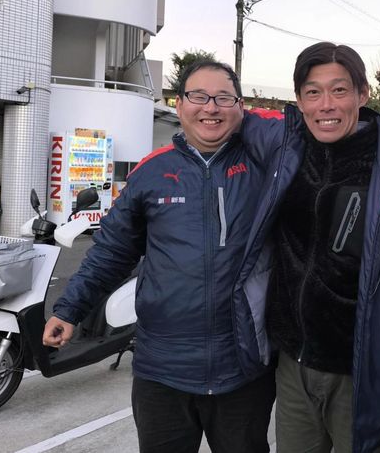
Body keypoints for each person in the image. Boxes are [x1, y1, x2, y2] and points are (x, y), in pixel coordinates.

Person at [42, 61, 279, 453]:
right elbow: (112, 251)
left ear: (241, 109)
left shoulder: (266, 167)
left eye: (223, 98)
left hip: (242, 368)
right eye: (198, 96)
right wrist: (69, 309)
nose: (210, 108)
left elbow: (311, 133)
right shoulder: (151, 172)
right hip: (162, 370)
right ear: (179, 104)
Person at [234, 42, 380, 453]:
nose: (326, 105)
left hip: (360, 368)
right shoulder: (288, 147)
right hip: (292, 361)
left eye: (339, 90)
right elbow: (227, 115)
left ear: (362, 94)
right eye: (313, 92)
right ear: (299, 100)